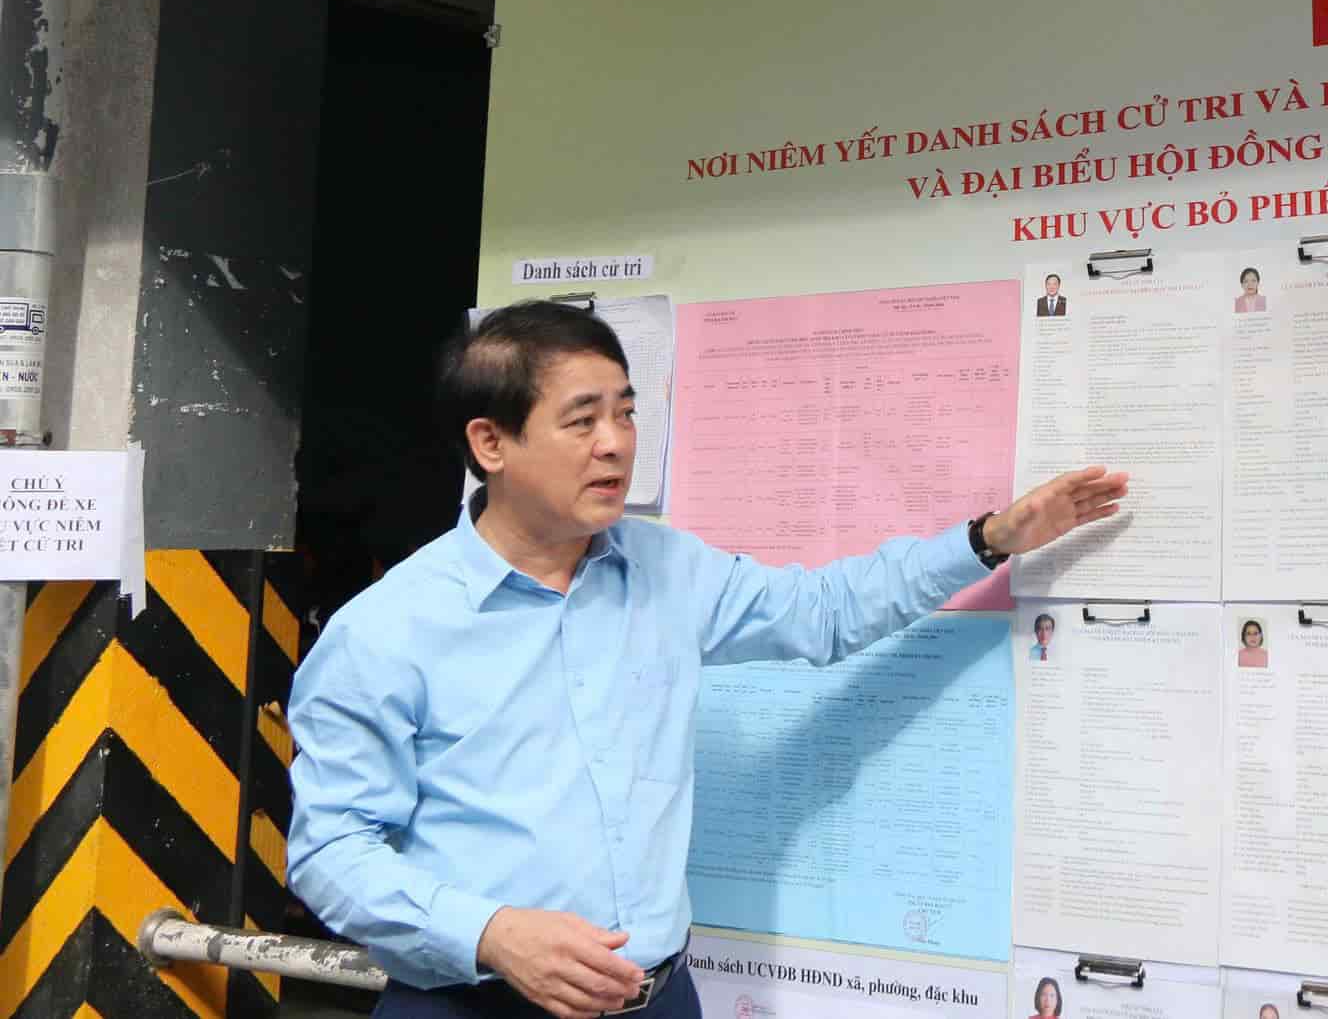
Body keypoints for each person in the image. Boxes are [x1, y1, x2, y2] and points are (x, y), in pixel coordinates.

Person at [287, 301, 1128, 1019]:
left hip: (663, 996)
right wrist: (490, 932)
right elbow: (329, 852)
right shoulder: (386, 631)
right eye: (582, 420)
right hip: (473, 1001)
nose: (615, 443)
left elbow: (826, 611)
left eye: (626, 412)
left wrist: (989, 541)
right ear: (491, 442)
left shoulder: (668, 570)